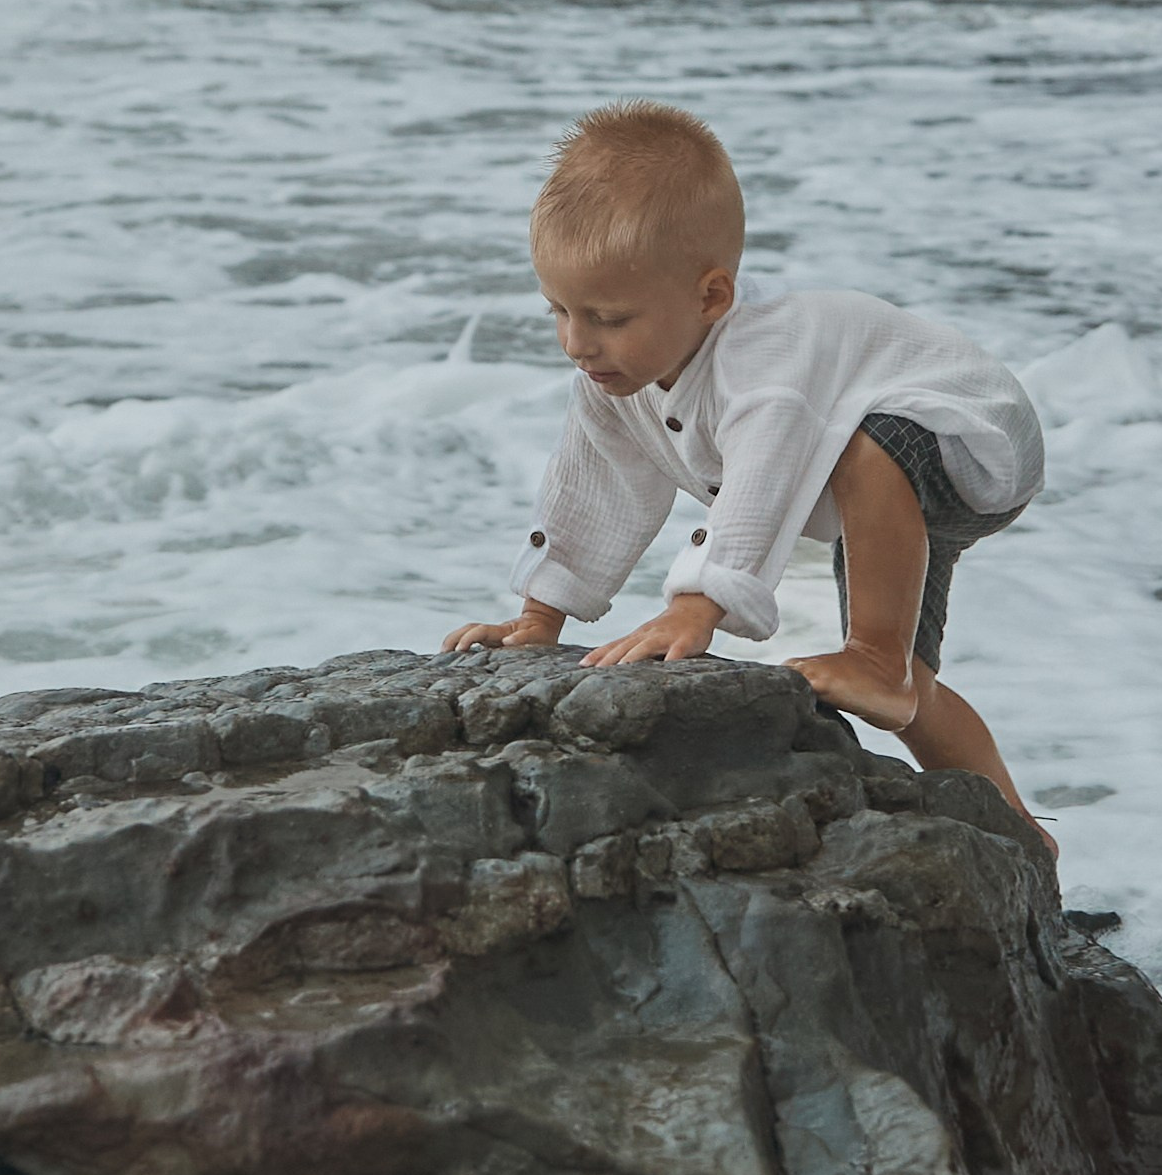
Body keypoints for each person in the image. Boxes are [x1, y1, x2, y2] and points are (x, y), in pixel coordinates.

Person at [443, 101, 1046, 822]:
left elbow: (760, 479)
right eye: (559, 310)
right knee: (912, 695)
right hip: (898, 488)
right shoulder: (614, 378)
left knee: (866, 444)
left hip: (973, 434)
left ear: (711, 296)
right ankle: (1022, 834)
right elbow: (593, 485)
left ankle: (875, 656)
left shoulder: (764, 362)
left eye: (608, 318)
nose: (578, 341)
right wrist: (541, 614)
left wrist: (698, 602)